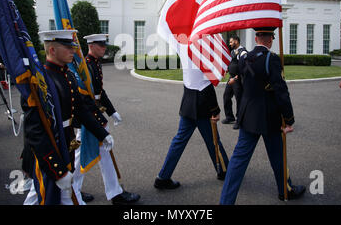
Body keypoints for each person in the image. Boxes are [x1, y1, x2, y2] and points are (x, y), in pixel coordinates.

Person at [22, 30, 114, 205]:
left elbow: (82, 110)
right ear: (52, 50)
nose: (73, 51)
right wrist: (57, 170)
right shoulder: (39, 82)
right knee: (40, 197)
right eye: (67, 47)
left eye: (73, 47)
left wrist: (102, 133)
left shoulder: (68, 75)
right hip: (48, 151)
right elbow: (35, 131)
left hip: (65, 145)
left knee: (52, 197)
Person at [220, 27, 305, 204]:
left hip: (248, 114)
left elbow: (243, 84)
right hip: (269, 116)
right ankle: (285, 190)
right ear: (271, 38)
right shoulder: (271, 59)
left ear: (257, 37)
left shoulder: (245, 58)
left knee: (238, 161)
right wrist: (289, 119)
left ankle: (226, 201)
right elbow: (281, 92)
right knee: (278, 157)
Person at [75, 33, 140, 205]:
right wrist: (99, 120)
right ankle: (73, 191)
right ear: (91, 46)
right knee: (80, 154)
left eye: (105, 45)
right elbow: (84, 98)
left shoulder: (95, 63)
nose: (104, 48)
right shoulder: (86, 66)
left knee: (90, 153)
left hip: (93, 112)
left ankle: (111, 192)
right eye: (101, 45)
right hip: (89, 115)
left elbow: (99, 92)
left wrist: (112, 112)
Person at [154, 76, 229, 190]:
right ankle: (223, 170)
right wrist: (215, 109)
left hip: (188, 104)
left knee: (178, 142)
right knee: (213, 141)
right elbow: (206, 87)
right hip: (202, 107)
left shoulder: (187, 57)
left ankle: (163, 176)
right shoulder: (201, 59)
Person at [222, 35, 246, 130]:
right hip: (231, 78)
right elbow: (232, 63)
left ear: (236, 41)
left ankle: (240, 121)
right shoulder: (232, 52)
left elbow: (244, 69)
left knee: (239, 100)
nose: (230, 43)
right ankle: (229, 117)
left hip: (238, 80)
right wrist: (227, 70)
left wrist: (235, 78)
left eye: (231, 42)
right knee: (226, 96)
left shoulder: (243, 52)